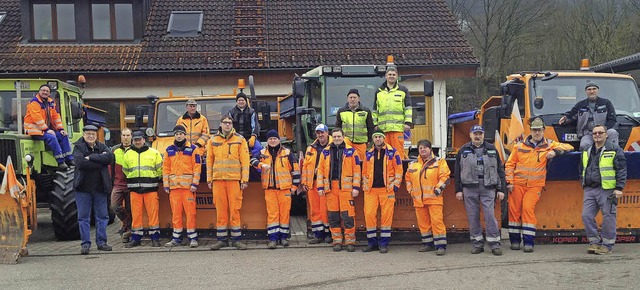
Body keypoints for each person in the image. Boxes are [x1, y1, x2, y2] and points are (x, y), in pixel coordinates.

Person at [505, 117, 573, 252]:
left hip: (535, 186)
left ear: (543, 131)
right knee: (514, 212)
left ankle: (529, 242)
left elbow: (569, 146)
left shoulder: (549, 144)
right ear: (530, 131)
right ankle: (515, 241)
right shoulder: (519, 146)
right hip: (517, 184)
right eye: (535, 130)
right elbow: (509, 164)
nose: (537, 133)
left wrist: (555, 152)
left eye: (539, 130)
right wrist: (510, 182)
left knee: (527, 210)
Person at [454, 125, 506, 256]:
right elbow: (457, 171)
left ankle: (494, 244)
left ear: (483, 135)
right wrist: (458, 190)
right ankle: (477, 244)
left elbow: (500, 170)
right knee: (473, 217)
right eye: (475, 134)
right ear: (470, 135)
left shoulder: (492, 149)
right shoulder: (463, 150)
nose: (477, 136)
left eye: (480, 134)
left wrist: (501, 189)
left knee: (490, 216)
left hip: (488, 187)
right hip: (469, 188)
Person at [581, 125, 626, 255]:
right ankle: (594, 242)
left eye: (600, 132)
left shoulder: (615, 149)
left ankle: (607, 245)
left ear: (607, 135)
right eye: (594, 133)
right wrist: (583, 183)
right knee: (586, 216)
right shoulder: (587, 150)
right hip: (590, 189)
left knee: (608, 216)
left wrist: (619, 188)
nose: (597, 135)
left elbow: (621, 169)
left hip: (607, 190)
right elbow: (581, 169)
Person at [207, 115, 251, 250]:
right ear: (220, 124)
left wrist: (244, 179)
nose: (227, 125)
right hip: (218, 180)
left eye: (229, 123)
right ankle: (222, 240)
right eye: (225, 123)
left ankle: (236, 239)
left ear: (232, 124)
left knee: (235, 210)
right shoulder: (212, 140)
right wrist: (209, 179)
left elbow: (245, 161)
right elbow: (209, 161)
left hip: (234, 180)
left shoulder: (240, 140)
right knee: (220, 211)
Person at [253, 130, 301, 249]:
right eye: (270, 139)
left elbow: (296, 171)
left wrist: (294, 188)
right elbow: (252, 161)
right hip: (269, 190)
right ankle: (273, 239)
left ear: (279, 140)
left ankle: (284, 238)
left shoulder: (287, 153)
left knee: (284, 214)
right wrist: (261, 165)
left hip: (285, 190)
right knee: (272, 215)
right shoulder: (262, 152)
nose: (272, 141)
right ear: (267, 141)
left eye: (275, 138)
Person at [317, 128, 361, 252]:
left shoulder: (352, 152)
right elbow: (320, 171)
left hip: (346, 189)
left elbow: (357, 170)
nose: (337, 139)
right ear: (332, 137)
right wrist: (320, 187)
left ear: (343, 137)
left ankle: (350, 241)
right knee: (333, 216)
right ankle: (336, 241)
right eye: (335, 136)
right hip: (330, 189)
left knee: (348, 217)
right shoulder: (325, 152)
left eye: (339, 136)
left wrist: (356, 187)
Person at [72, 125, 114, 255]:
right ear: (84, 135)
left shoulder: (102, 146)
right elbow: (80, 163)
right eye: (88, 134)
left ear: (97, 136)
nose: (91, 136)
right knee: (83, 217)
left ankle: (101, 242)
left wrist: (90, 157)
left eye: (93, 134)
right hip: (83, 189)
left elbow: (110, 158)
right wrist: (100, 161)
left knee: (102, 216)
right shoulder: (78, 147)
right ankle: (85, 244)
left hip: (100, 188)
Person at [405, 139, 450, 256]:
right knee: (423, 223)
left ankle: (440, 246)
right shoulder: (412, 164)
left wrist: (438, 189)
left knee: (437, 222)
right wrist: (411, 191)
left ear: (430, 149)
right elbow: (408, 179)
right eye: (420, 148)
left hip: (434, 199)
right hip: (418, 200)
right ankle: (427, 244)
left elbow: (445, 177)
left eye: (425, 147)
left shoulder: (439, 162)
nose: (423, 150)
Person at [361, 129, 402, 253]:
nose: (378, 139)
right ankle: (372, 243)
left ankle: (384, 244)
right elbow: (364, 172)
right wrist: (365, 185)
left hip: (387, 190)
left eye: (380, 137)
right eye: (375, 137)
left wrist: (395, 186)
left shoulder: (393, 153)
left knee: (386, 218)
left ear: (384, 138)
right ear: (373, 139)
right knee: (369, 216)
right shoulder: (368, 153)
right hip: (371, 191)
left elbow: (399, 170)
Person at [122, 131, 163, 248]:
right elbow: (126, 170)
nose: (137, 142)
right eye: (135, 140)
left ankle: (155, 238)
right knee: (136, 216)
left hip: (151, 189)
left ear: (144, 140)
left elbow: (160, 170)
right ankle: (136, 239)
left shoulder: (154, 153)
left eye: (139, 139)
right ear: (132, 141)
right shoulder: (128, 154)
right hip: (135, 190)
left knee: (153, 215)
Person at [163, 125, 201, 248]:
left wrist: (195, 183)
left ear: (185, 135)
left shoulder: (193, 149)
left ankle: (192, 238)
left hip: (188, 188)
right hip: (174, 188)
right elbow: (166, 169)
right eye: (176, 134)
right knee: (176, 214)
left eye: (181, 133)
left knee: (191, 213)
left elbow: (197, 167)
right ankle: (176, 238)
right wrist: (166, 185)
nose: (179, 136)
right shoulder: (169, 150)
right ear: (174, 135)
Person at [24, 84, 73, 170]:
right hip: (34, 131)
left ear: (49, 93)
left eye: (47, 91)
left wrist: (61, 129)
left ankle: (69, 160)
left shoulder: (51, 103)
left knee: (63, 135)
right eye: (43, 90)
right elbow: (37, 118)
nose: (45, 92)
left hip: (43, 130)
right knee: (52, 137)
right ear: (39, 91)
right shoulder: (34, 102)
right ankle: (60, 162)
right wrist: (47, 129)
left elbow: (56, 117)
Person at [558, 82, 618, 150]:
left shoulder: (606, 103)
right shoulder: (580, 105)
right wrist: (565, 118)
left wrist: (603, 129)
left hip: (604, 132)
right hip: (588, 134)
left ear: (598, 90)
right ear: (586, 91)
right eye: (589, 89)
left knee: (613, 133)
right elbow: (572, 114)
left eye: (594, 89)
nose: (592, 91)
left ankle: (614, 156)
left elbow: (612, 119)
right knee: (584, 145)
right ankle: (588, 160)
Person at [301, 124, 332, 244]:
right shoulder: (311, 148)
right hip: (312, 183)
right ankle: (318, 235)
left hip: (325, 184)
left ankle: (328, 234)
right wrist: (304, 181)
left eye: (322, 132)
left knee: (326, 210)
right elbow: (305, 166)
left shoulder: (332, 147)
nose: (320, 135)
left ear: (327, 132)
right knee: (315, 210)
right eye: (318, 133)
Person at [373, 67, 412, 159]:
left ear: (397, 76)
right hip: (383, 130)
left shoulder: (403, 90)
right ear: (386, 76)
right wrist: (375, 124)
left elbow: (408, 108)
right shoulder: (379, 92)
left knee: (398, 154)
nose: (391, 76)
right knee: (384, 154)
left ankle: (399, 173)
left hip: (397, 130)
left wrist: (407, 123)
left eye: (394, 75)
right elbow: (375, 110)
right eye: (390, 74)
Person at [335, 88, 375, 160]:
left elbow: (370, 127)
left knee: (360, 162)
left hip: (361, 142)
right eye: (351, 97)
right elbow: (338, 127)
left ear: (358, 98)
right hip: (346, 141)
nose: (352, 99)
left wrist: (369, 140)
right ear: (347, 99)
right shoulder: (341, 111)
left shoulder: (366, 111)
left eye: (354, 97)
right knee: (347, 161)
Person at [111, 128, 133, 243]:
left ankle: (128, 232)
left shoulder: (135, 149)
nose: (125, 137)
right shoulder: (114, 150)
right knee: (114, 206)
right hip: (118, 184)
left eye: (128, 135)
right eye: (124, 135)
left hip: (130, 184)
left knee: (130, 209)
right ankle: (126, 223)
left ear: (131, 136)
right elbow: (111, 168)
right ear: (121, 136)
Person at [228, 92, 263, 157]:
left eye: (242, 100)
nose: (241, 102)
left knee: (259, 148)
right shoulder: (231, 112)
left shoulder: (252, 112)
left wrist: (253, 136)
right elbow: (229, 126)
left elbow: (255, 125)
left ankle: (256, 164)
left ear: (246, 101)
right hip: (235, 138)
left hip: (248, 138)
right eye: (239, 100)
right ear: (236, 102)